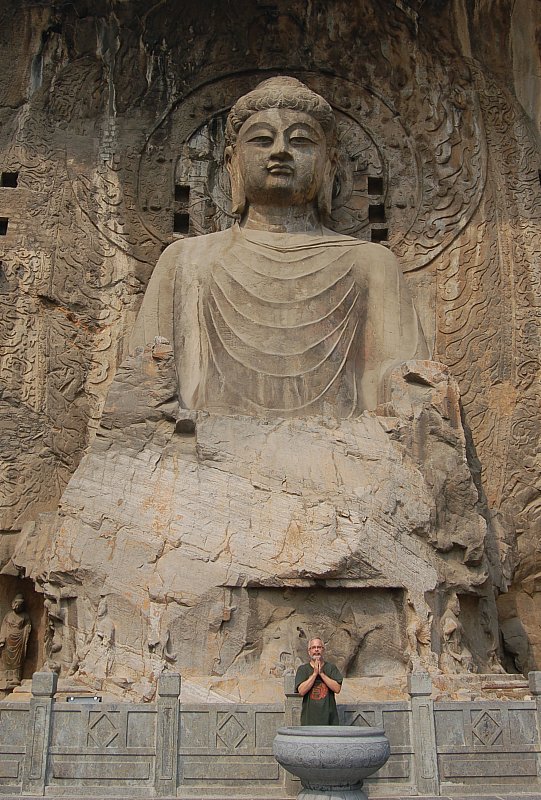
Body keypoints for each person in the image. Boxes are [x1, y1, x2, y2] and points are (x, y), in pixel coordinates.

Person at [130, 76, 427, 419]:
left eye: (301, 140)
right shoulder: (185, 260)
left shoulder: (372, 262)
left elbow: (402, 382)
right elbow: (141, 384)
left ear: (329, 164)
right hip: (209, 451)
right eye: (261, 139)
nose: (280, 150)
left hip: (344, 451)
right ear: (232, 162)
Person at [294, 637, 343, 725]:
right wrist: (314, 674)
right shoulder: (303, 669)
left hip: (329, 719)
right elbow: (301, 691)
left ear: (323, 650)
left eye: (319, 647)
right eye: (313, 647)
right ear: (309, 651)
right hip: (309, 720)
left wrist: (322, 674)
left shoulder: (331, 668)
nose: (316, 650)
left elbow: (337, 689)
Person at [0, 593, 31, 689]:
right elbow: (4, 627)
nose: (18, 607)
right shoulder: (8, 615)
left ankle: (15, 677)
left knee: (18, 660)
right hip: (8, 640)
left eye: (20, 605)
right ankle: (5, 676)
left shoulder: (25, 616)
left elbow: (28, 626)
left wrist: (26, 631)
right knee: (5, 658)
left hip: (19, 640)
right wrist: (2, 638)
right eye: (17, 604)